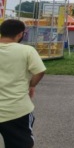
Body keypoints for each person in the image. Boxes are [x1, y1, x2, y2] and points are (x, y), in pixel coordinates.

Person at [0, 19, 46, 148]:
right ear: (20, 34)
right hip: (16, 110)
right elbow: (40, 71)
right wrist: (31, 85)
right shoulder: (27, 50)